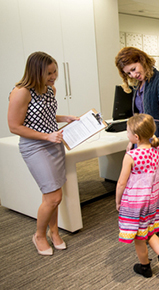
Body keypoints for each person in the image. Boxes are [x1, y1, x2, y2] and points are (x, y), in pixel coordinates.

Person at [7, 52, 79, 255]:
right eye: (49, 73)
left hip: (53, 143)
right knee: (54, 196)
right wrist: (47, 137)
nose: (54, 76)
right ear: (35, 72)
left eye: (55, 71)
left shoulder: (50, 90)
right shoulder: (21, 92)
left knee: (53, 194)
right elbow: (14, 126)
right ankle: (39, 235)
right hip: (35, 146)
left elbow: (44, 116)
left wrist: (64, 117)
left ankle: (54, 232)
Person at [115, 47, 159, 245]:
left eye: (134, 69)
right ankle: (153, 226)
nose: (133, 74)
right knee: (148, 188)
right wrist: (132, 141)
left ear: (143, 60)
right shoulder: (140, 84)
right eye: (128, 73)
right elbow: (140, 117)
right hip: (144, 141)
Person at [116, 114, 159, 278]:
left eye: (127, 132)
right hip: (152, 202)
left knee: (139, 238)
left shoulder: (131, 156)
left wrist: (117, 201)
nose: (127, 135)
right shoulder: (156, 151)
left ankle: (145, 267)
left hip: (135, 204)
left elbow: (121, 183)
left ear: (136, 137)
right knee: (149, 233)